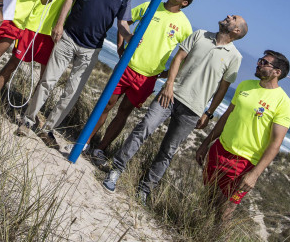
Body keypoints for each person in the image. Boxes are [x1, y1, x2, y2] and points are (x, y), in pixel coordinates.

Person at [101, 15, 247, 200]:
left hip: (193, 110)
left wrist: (208, 113)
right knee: (144, 127)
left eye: (233, 18)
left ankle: (144, 191)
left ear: (237, 31)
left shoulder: (235, 57)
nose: (228, 17)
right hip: (169, 95)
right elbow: (178, 58)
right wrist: (169, 84)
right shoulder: (200, 34)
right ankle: (116, 170)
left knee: (168, 150)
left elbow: (222, 88)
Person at [16, 0, 138, 146]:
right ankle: (28, 121)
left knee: (71, 92)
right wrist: (59, 24)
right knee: (48, 80)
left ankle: (48, 129)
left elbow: (122, 22)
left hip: (92, 49)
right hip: (69, 37)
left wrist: (130, 36)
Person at [84, 0, 195, 156]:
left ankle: (100, 149)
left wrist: (166, 74)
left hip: (147, 78)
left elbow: (186, 57)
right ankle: (86, 141)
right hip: (127, 67)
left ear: (185, 3)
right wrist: (121, 45)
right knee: (106, 104)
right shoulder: (151, 5)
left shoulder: (185, 26)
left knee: (123, 113)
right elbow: (125, 22)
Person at [195, 50, 290, 222]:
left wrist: (254, 174)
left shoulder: (284, 103)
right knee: (207, 198)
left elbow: (275, 144)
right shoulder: (245, 85)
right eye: (259, 60)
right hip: (220, 149)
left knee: (225, 210)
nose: (258, 64)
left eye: (264, 62)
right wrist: (206, 143)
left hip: (245, 162)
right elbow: (226, 117)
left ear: (278, 72)